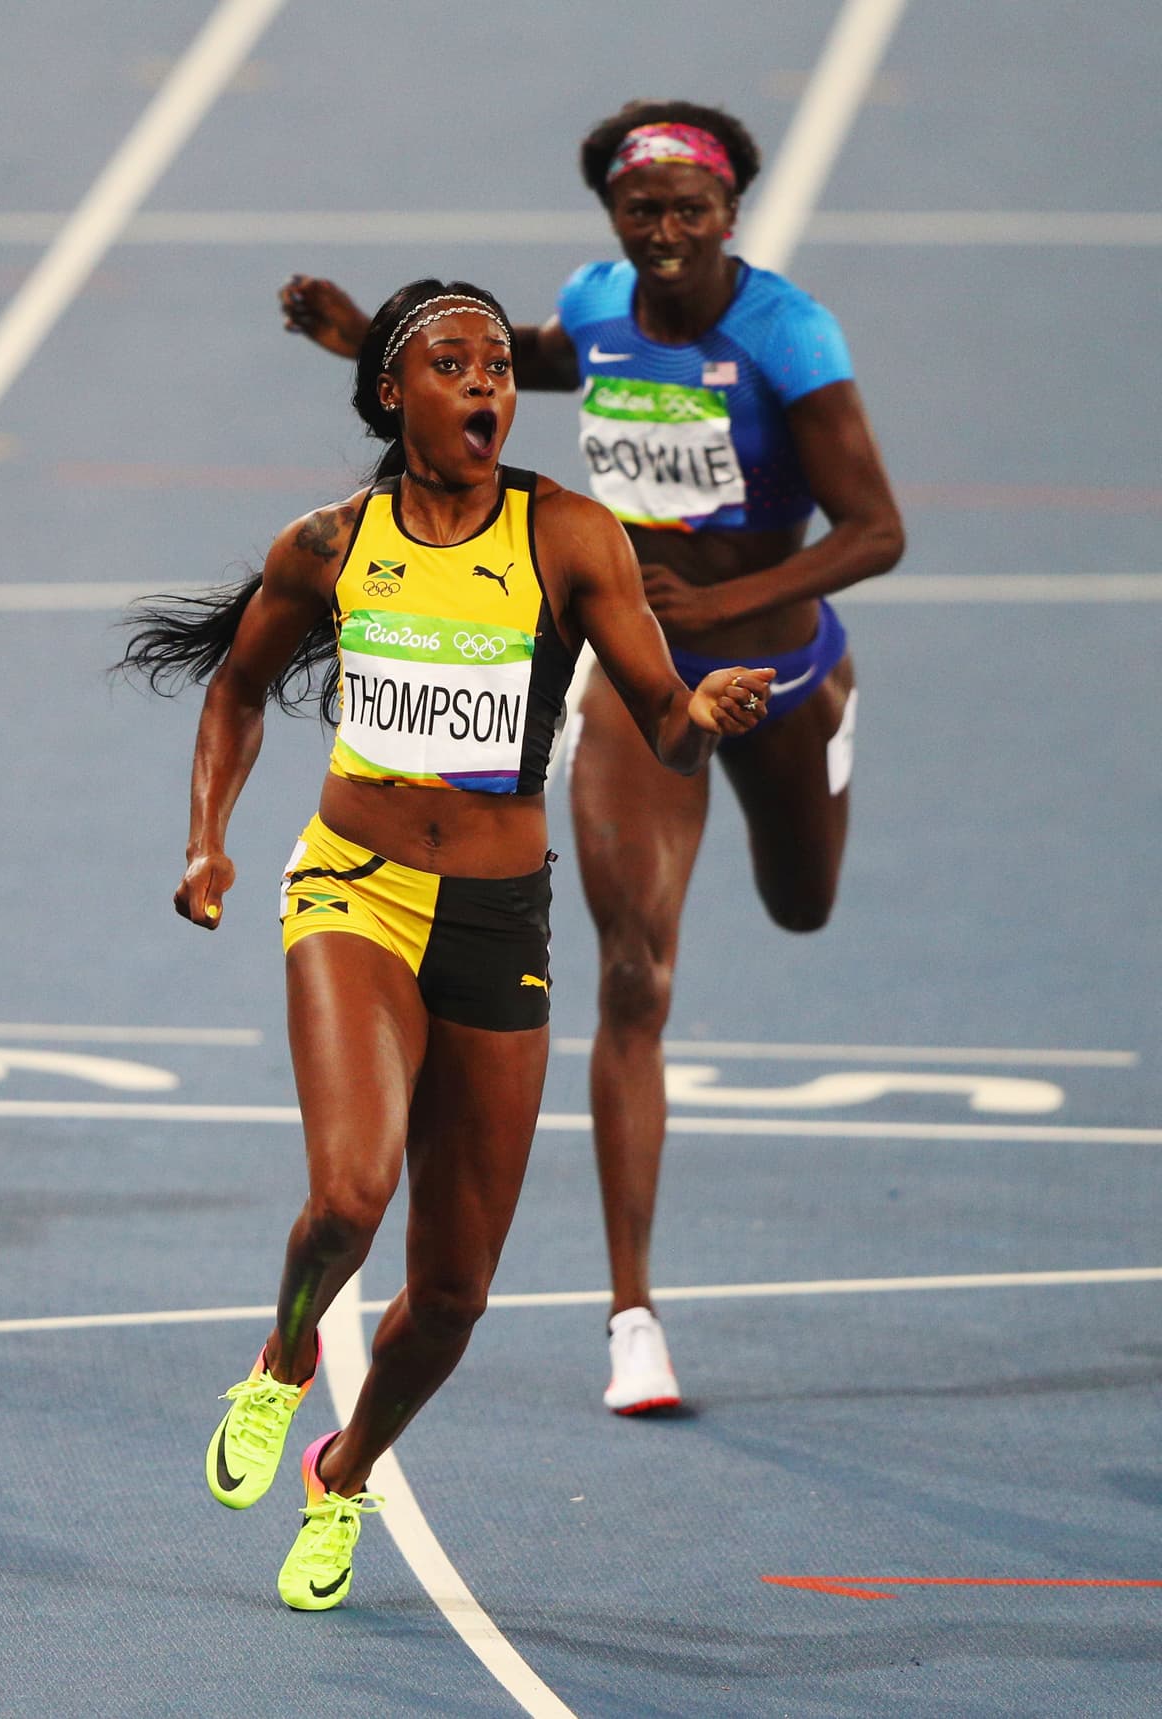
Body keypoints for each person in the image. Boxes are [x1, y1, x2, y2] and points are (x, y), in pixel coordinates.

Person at [119, 277, 773, 1611]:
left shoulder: (569, 537)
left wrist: (699, 712)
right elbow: (238, 688)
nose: (488, 385)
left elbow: (658, 717)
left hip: (494, 916)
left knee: (458, 1296)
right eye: (455, 364)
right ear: (392, 394)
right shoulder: (328, 542)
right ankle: (285, 1354)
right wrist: (207, 838)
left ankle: (343, 1474)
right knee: (351, 1194)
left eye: (499, 367)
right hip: (351, 890)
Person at [279, 100, 905, 1416]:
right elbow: (561, 358)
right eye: (643, 211)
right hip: (643, 678)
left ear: (731, 214)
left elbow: (877, 529)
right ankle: (633, 1316)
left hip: (778, 665)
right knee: (634, 970)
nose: (666, 231)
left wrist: (719, 616)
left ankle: (832, 722)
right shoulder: (599, 303)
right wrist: (358, 343)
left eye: (692, 209)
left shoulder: (789, 335)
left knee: (803, 906)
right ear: (614, 221)